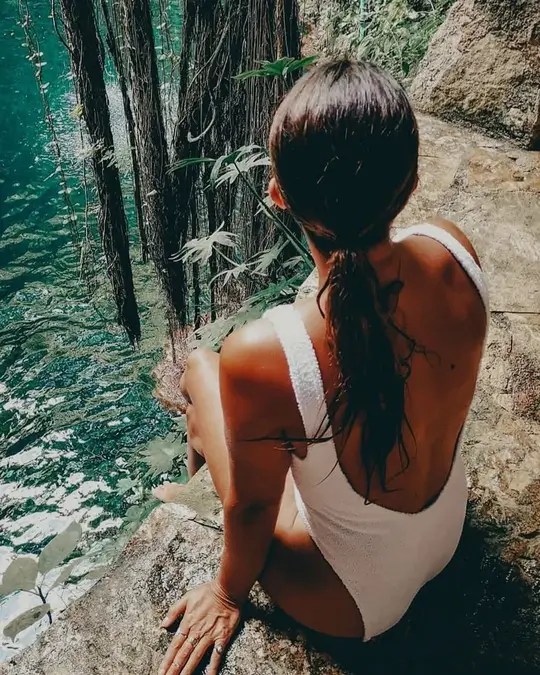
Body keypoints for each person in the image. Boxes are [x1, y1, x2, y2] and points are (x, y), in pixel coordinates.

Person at [156, 58, 488, 675]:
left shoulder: (269, 351)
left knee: (200, 370)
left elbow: (254, 511)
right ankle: (191, 473)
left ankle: (188, 478)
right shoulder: (453, 252)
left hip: (355, 602)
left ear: (278, 195)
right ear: (412, 182)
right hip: (447, 530)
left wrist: (227, 593)